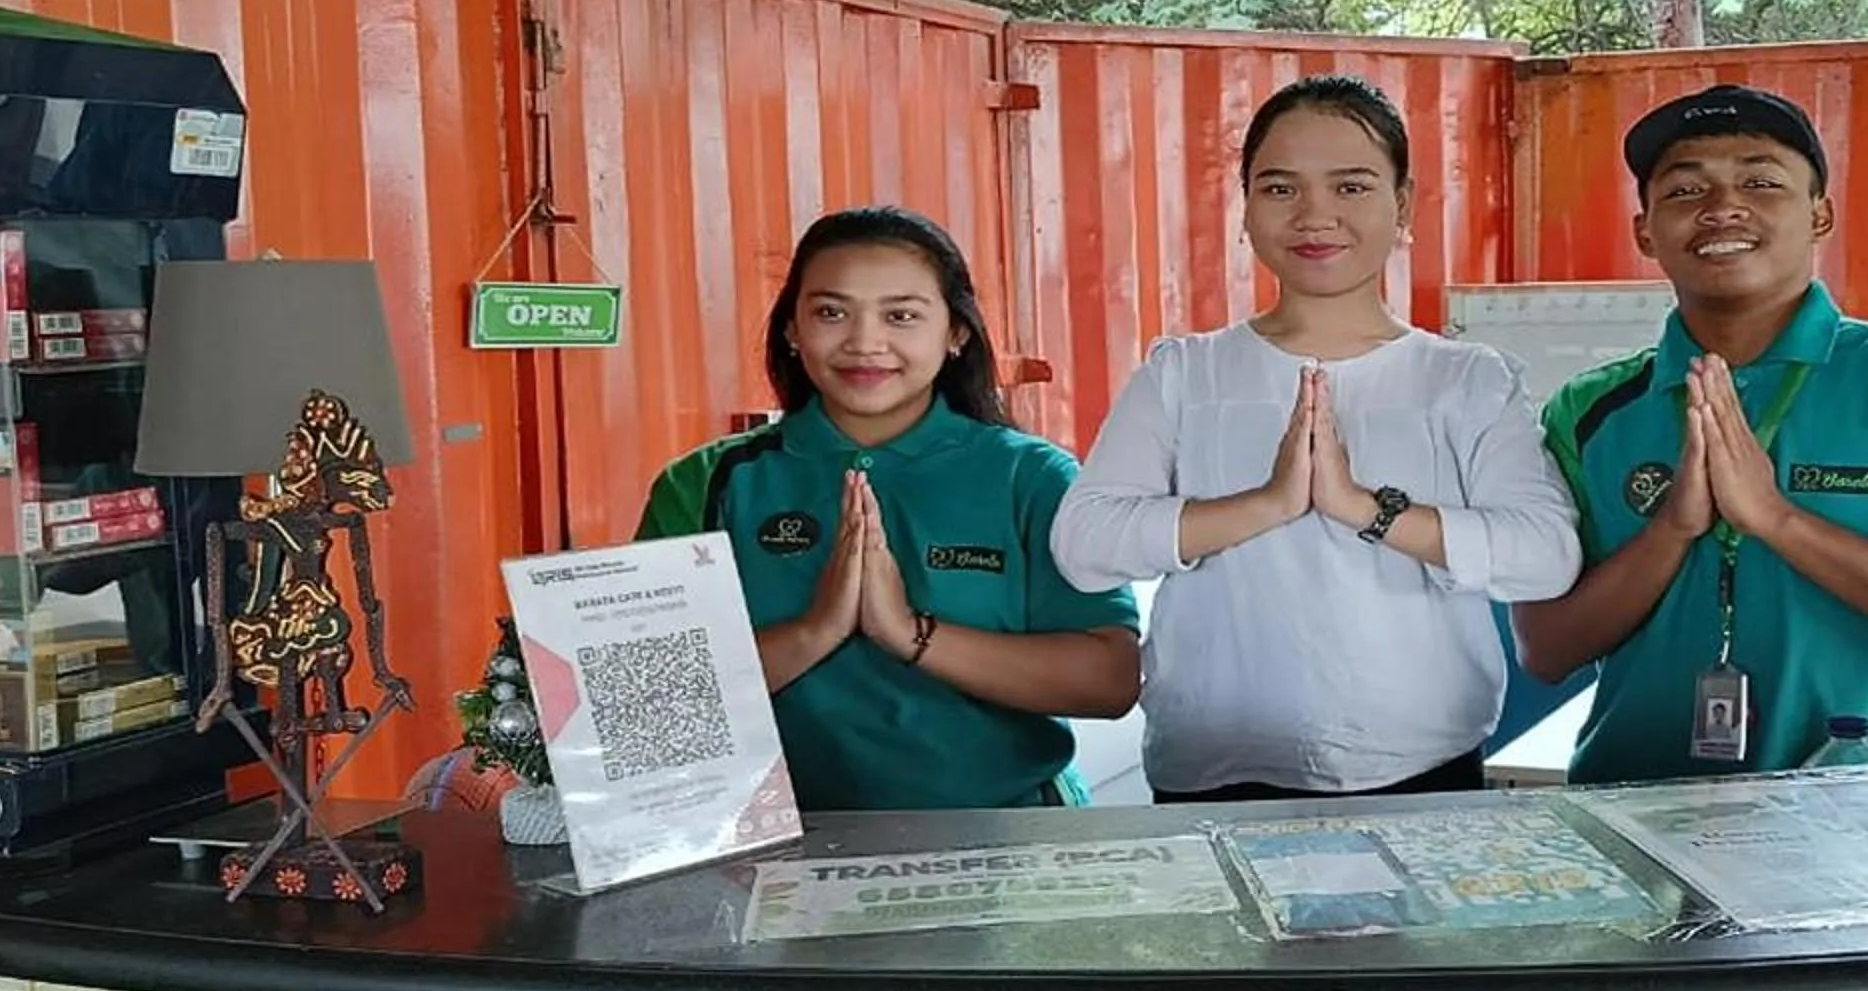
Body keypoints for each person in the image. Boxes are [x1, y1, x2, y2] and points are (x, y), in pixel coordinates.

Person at [1051, 75, 1581, 802]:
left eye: (1352, 187)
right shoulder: (1184, 374)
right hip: (1213, 776)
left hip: (1421, 778)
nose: (1315, 215)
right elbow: (1083, 544)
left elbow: (1545, 558)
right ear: (1245, 210)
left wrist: (1367, 510)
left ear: (1403, 206)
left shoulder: (1466, 381)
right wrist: (1266, 505)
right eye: (1279, 189)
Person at [1511, 84, 1868, 778]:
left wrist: (1776, 520)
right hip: (1638, 800)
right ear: (1645, 232)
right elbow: (1546, 649)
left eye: (1761, 181)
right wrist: (1672, 531)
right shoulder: (1589, 410)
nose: (1722, 207)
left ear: (1820, 214)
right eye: (1684, 191)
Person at [637, 207, 1139, 811]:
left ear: (956, 333)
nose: (864, 342)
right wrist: (816, 629)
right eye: (830, 312)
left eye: (901, 315)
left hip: (1012, 838)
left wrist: (908, 633)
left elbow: (1109, 681)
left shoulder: (1030, 477)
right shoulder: (705, 483)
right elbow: (649, 706)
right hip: (771, 852)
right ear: (792, 330)